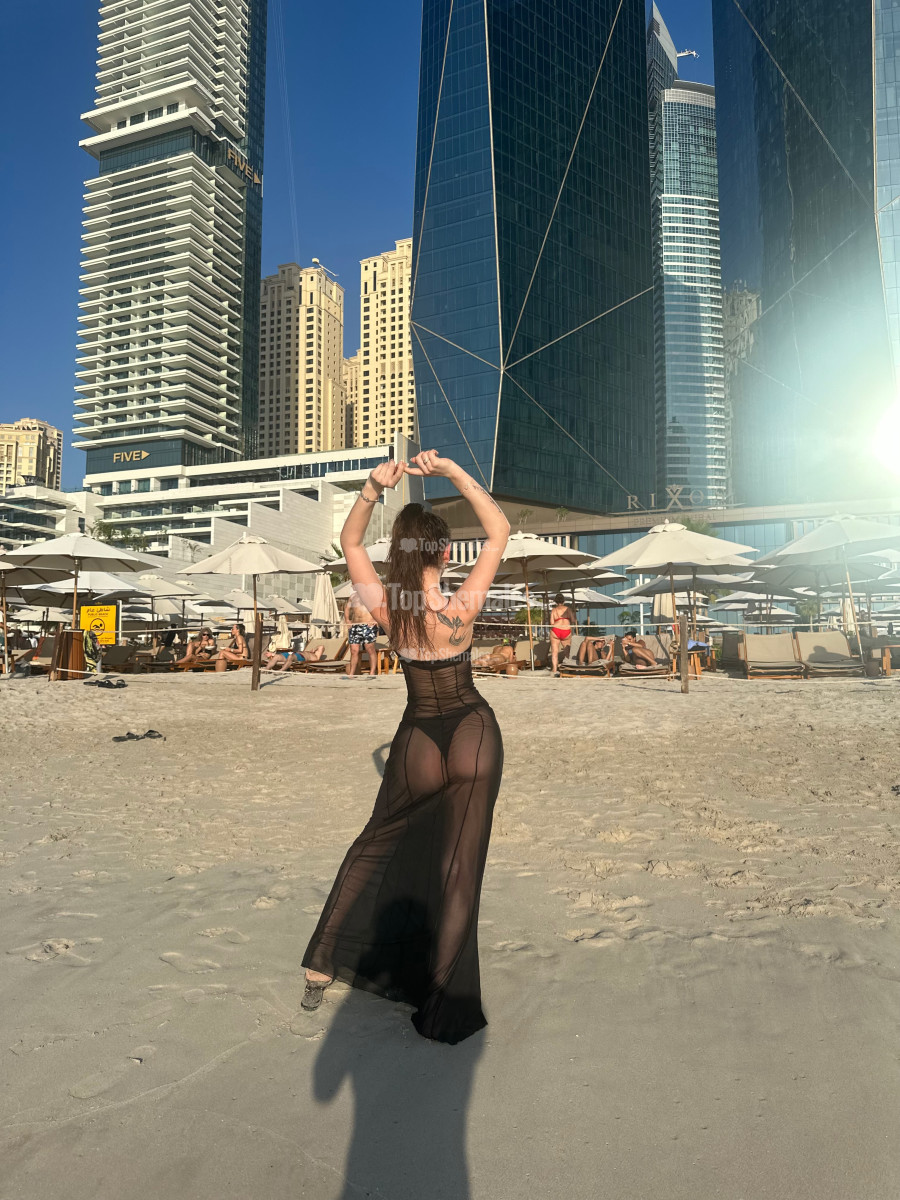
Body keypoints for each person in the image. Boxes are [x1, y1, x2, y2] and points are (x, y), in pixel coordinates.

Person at [301, 448, 510, 1044]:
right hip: (472, 731)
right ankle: (445, 1004)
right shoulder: (461, 606)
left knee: (375, 842)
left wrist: (372, 487)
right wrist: (452, 472)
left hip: (418, 733)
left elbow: (349, 542)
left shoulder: (390, 609)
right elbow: (499, 530)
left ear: (400, 553)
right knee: (459, 868)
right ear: (443, 553)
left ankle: (321, 965)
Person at [344, 589, 379, 677]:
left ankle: (372, 673)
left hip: (368, 625)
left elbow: (379, 608)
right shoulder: (353, 596)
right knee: (354, 650)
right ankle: (351, 673)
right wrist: (347, 620)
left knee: (369, 648)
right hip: (355, 625)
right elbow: (347, 608)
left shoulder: (371, 595)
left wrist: (375, 619)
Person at [549, 593, 575, 676]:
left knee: (554, 652)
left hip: (556, 630)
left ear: (555, 601)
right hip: (566, 630)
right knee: (567, 652)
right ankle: (568, 668)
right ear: (564, 601)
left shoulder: (554, 610)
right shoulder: (568, 609)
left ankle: (554, 669)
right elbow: (573, 620)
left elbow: (551, 622)